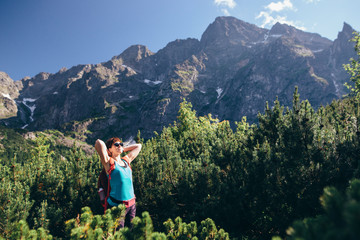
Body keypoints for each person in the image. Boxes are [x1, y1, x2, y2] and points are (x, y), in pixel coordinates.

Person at [95, 137, 142, 229]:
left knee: (131, 233)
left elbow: (138, 146)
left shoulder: (126, 160)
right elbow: (98, 142)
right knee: (118, 234)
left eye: (121, 144)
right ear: (109, 149)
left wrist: (122, 149)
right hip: (116, 206)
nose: (119, 146)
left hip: (131, 205)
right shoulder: (109, 163)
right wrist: (107, 153)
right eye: (116, 145)